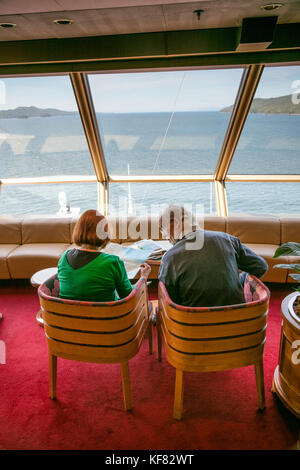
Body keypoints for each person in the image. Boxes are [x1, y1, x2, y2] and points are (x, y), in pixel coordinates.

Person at [158, 205, 268, 307]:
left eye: (162, 228)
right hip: (236, 320)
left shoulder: (169, 258)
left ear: (176, 223)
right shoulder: (228, 240)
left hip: (193, 325)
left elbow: (170, 301)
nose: (163, 235)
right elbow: (260, 266)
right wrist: (238, 280)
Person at [57, 209, 151, 302]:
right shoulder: (112, 262)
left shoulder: (63, 258)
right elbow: (129, 296)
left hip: (68, 315)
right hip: (105, 316)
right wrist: (143, 278)